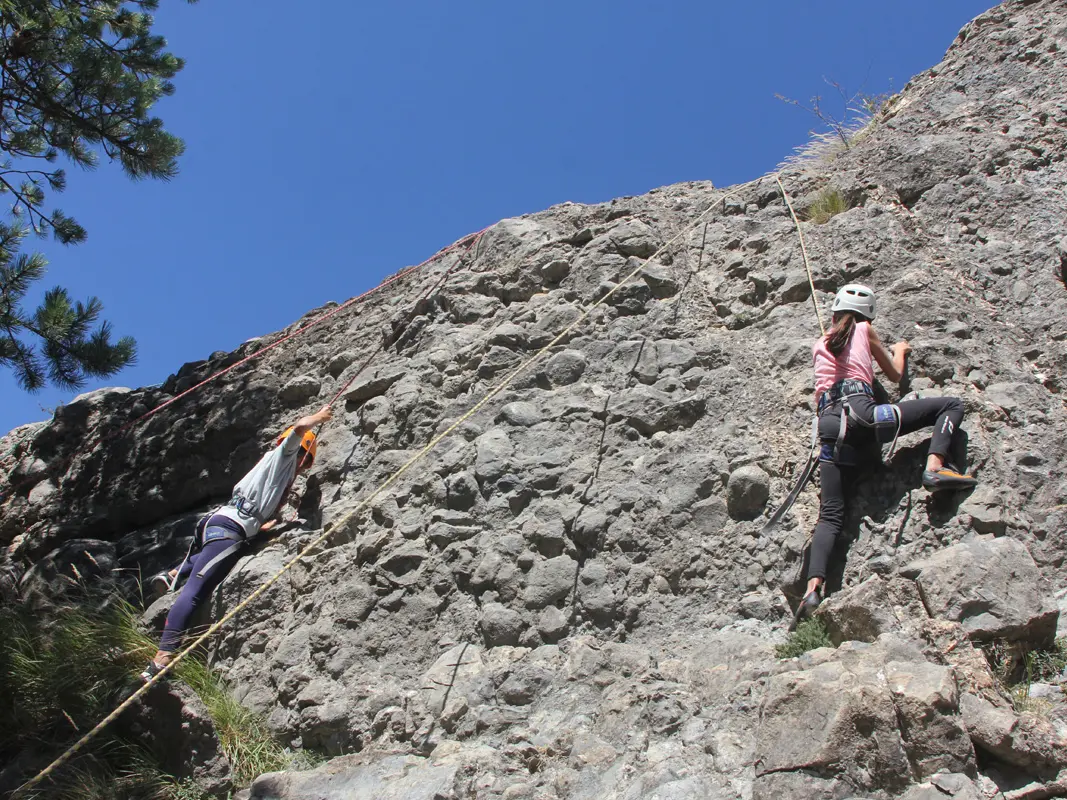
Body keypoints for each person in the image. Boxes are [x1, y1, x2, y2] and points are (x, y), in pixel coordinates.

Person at [798, 284, 976, 618]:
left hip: (830, 432)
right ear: (867, 314)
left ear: (835, 313)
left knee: (831, 514)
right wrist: (902, 350)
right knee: (951, 405)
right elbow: (894, 375)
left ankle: (812, 590)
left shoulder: (819, 344)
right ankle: (935, 465)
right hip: (868, 418)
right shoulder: (865, 329)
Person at [141, 405, 333, 680]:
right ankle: (162, 658)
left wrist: (263, 525)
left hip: (218, 522)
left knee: (219, 555)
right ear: (305, 454)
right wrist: (319, 418)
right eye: (306, 464)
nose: (302, 471)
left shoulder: (270, 464)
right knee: (195, 592)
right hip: (231, 527)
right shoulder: (286, 455)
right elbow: (300, 428)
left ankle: (174, 571)